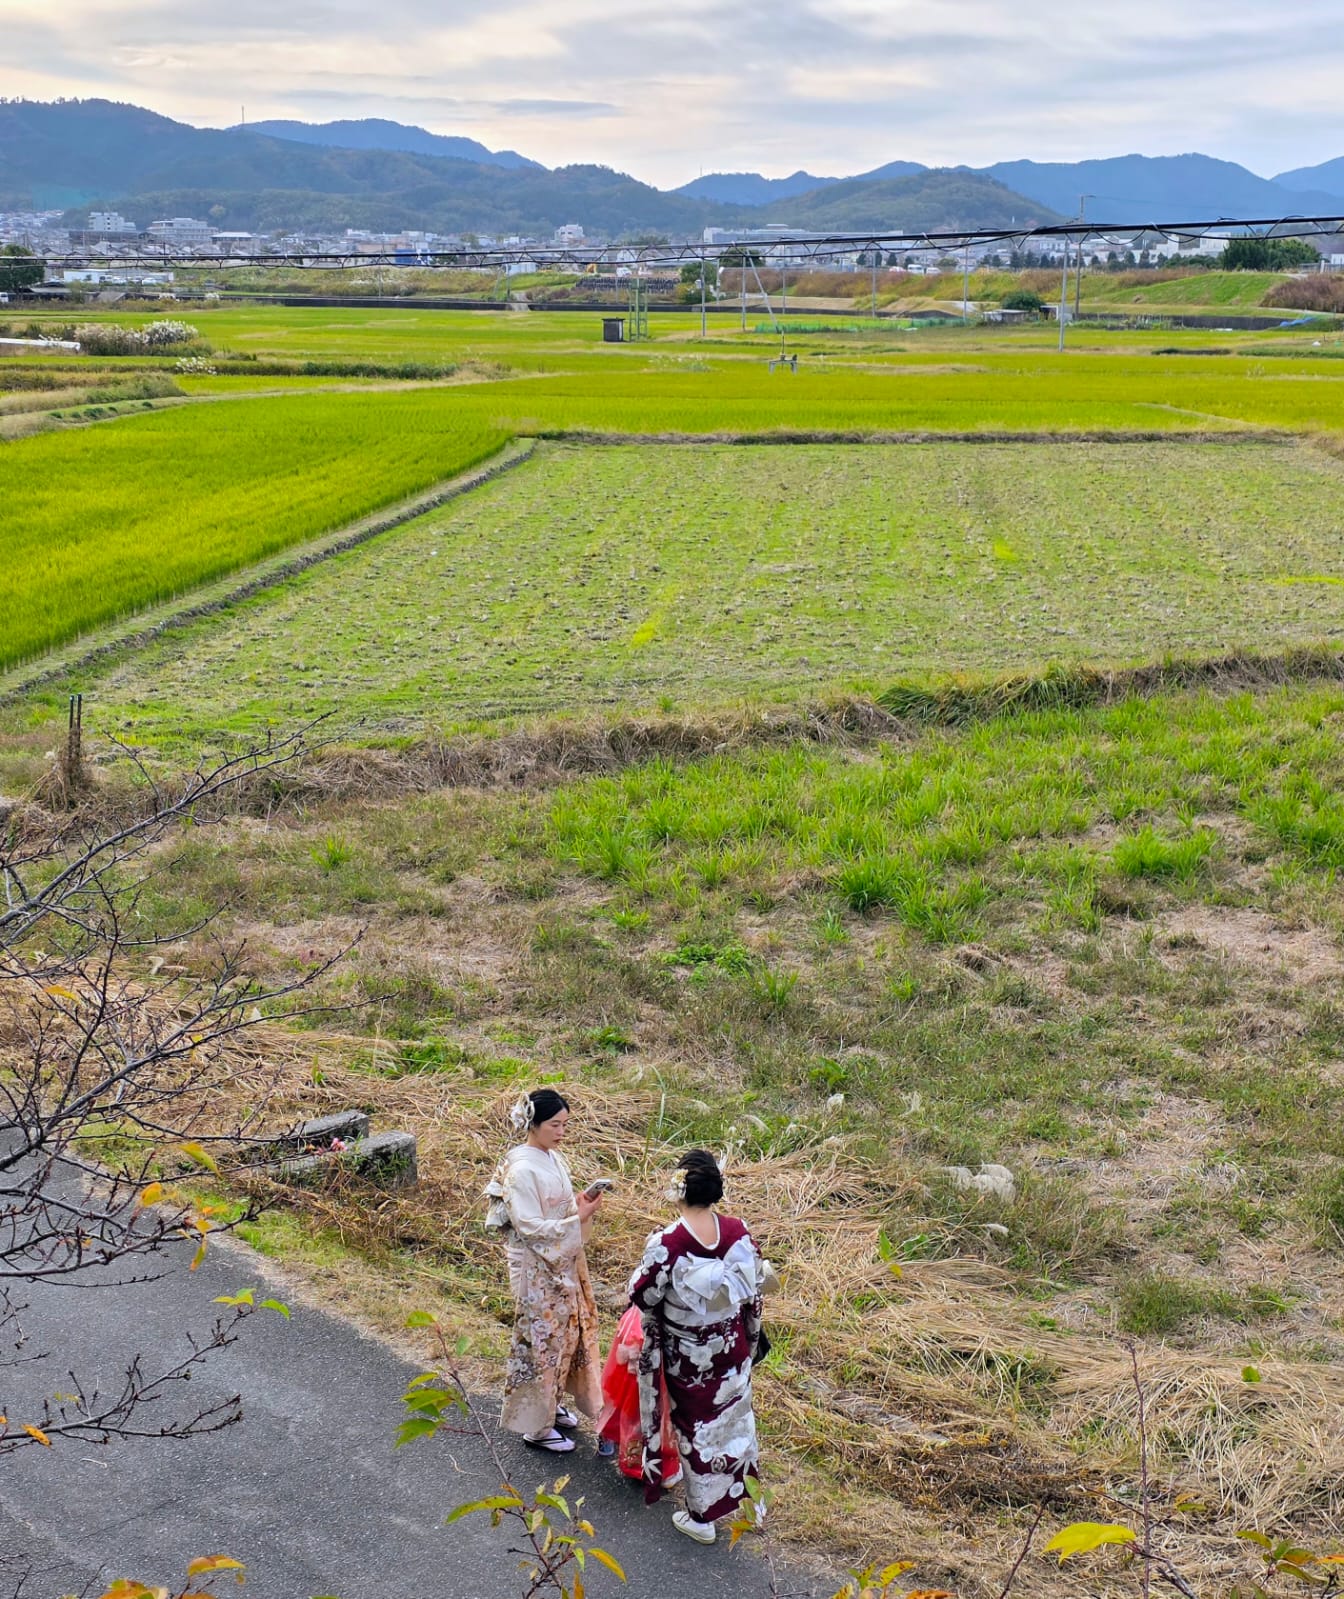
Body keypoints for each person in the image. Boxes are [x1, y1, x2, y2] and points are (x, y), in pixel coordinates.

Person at [627, 1148, 771, 1544]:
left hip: (689, 1355)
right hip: (731, 1346)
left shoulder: (668, 1243)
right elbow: (754, 1287)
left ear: (678, 1190)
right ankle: (745, 1498)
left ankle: (701, 1517)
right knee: (736, 1421)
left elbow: (643, 1294)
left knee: (697, 1430)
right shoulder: (738, 1231)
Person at [485, 1088, 604, 1453]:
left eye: (565, 1125)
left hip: (559, 1258)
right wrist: (576, 1219)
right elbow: (530, 1226)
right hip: (534, 1262)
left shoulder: (553, 1158)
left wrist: (579, 1203)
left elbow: (559, 1209)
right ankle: (535, 1427)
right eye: (555, 1125)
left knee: (566, 1334)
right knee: (541, 1341)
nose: (561, 1132)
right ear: (533, 1124)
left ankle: (551, 1407)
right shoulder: (521, 1168)